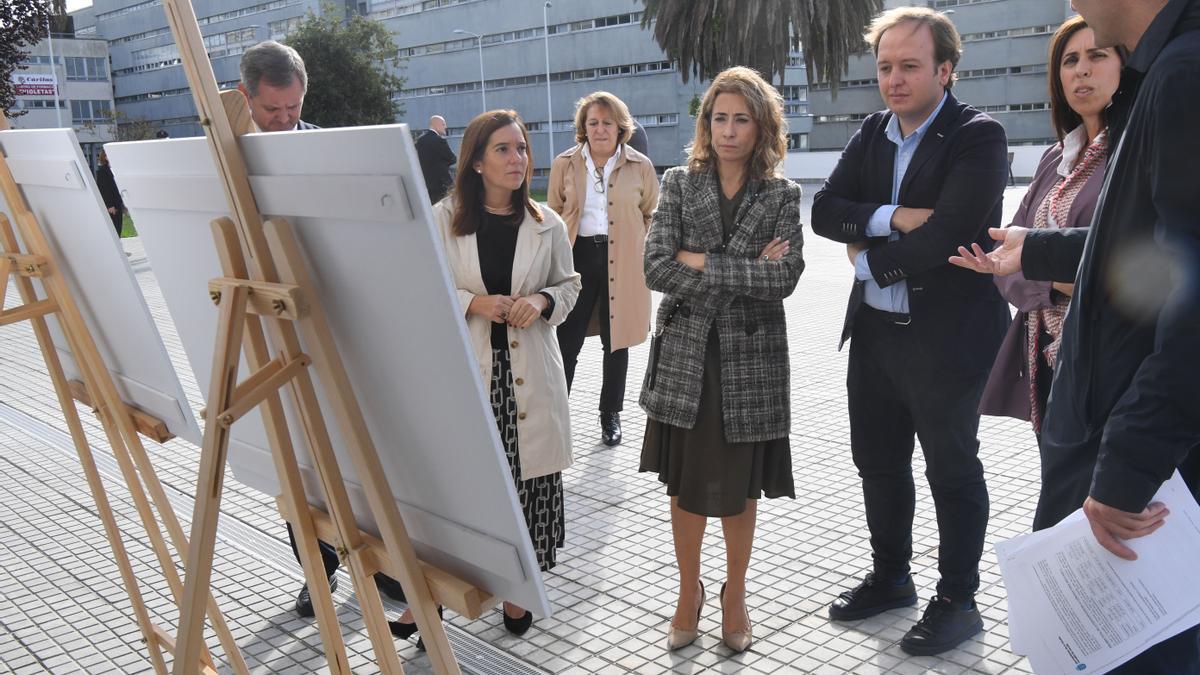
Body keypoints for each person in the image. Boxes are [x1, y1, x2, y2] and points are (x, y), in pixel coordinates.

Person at [950, 0, 1200, 669]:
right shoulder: (1162, 78)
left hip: (1145, 473)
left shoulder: (1182, 73)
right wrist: (1041, 251)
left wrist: (1125, 466)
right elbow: (1145, 249)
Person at [810, 6, 1010, 656]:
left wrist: (866, 256)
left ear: (945, 70)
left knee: (951, 470)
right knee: (878, 463)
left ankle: (959, 600)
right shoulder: (872, 131)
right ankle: (891, 576)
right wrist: (895, 216)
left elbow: (950, 234)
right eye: (885, 66)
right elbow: (823, 211)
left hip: (947, 338)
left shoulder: (978, 136)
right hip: (876, 335)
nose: (894, 79)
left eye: (910, 66)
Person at [392, 109, 580, 642]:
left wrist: (542, 300)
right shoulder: (442, 218)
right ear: (475, 161)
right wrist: (472, 301)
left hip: (529, 376)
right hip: (470, 376)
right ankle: (431, 599)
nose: (518, 158)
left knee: (529, 488)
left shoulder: (547, 223)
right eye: (503, 149)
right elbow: (416, 287)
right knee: (459, 493)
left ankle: (520, 593)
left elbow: (570, 285)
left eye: (522, 148)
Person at [237, 38, 405, 617]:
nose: (284, 121)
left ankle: (378, 563)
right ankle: (318, 571)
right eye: (271, 111)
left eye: (292, 108)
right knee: (299, 466)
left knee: (358, 454)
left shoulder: (327, 151)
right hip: (269, 329)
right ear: (246, 97)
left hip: (336, 324)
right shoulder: (227, 158)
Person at [639, 66, 804, 653]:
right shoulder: (680, 183)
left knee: (739, 486)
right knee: (683, 485)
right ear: (706, 123)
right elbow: (655, 267)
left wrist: (703, 261)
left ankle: (736, 593)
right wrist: (744, 267)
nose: (729, 130)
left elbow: (784, 278)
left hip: (751, 363)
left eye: (742, 119)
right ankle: (690, 592)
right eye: (719, 117)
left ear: (763, 127)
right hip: (687, 357)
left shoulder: (783, 195)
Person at [978, 16, 1122, 434]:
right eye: (1069, 60)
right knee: (1061, 495)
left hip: (1110, 363)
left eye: (1097, 56)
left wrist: (1035, 268)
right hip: (1044, 359)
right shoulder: (1054, 158)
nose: (1081, 69)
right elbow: (1005, 257)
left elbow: (1129, 270)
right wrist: (1054, 281)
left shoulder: (1131, 155)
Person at [547, 92, 658, 446]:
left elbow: (649, 212)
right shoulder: (564, 163)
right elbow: (553, 211)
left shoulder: (640, 165)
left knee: (617, 343)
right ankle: (555, 414)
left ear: (620, 127)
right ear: (583, 127)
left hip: (622, 260)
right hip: (577, 260)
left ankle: (610, 414)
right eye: (592, 122)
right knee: (567, 340)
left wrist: (637, 245)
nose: (599, 129)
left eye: (607, 123)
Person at [237, 40, 316, 133]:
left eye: (293, 107)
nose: (284, 119)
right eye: (272, 109)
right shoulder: (222, 145)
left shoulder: (328, 145)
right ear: (244, 95)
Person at [416, 115, 457, 203]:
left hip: (426, 184)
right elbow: (453, 159)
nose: (445, 127)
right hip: (442, 184)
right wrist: (443, 164)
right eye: (443, 124)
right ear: (436, 125)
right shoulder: (439, 140)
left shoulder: (420, 141)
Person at [95, 150, 124, 237]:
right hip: (112, 206)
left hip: (118, 203)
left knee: (119, 227)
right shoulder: (102, 171)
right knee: (114, 228)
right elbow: (104, 190)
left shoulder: (116, 169)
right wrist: (109, 205)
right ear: (105, 157)